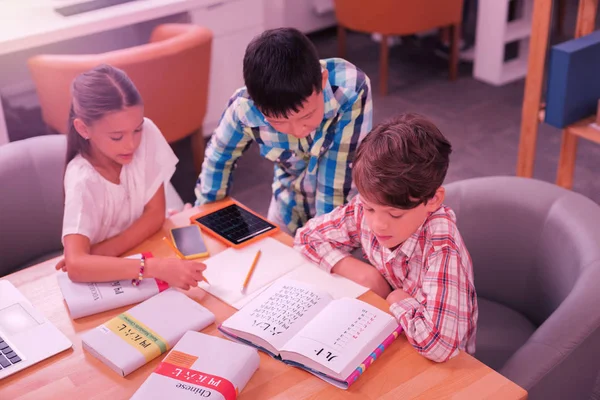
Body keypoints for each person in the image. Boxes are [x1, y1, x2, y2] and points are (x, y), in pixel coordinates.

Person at [294, 114, 478, 362]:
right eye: (370, 209)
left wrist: (395, 298)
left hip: (454, 365)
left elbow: (439, 345)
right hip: (398, 330)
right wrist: (366, 275)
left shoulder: (441, 247)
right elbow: (307, 237)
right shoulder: (368, 204)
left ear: (432, 200)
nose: (378, 224)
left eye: (394, 214)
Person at [195, 27, 373, 235]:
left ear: (322, 81)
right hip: (287, 203)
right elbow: (218, 159)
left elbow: (334, 188)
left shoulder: (350, 91)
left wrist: (322, 243)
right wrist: (204, 214)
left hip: (342, 213)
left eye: (306, 116)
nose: (297, 131)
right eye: (279, 122)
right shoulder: (244, 109)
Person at [58, 64, 205, 290]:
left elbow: (155, 214)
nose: (131, 144)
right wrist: (151, 267)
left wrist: (98, 256)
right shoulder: (82, 179)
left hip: (136, 258)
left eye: (136, 129)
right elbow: (77, 267)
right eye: (117, 137)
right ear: (83, 129)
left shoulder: (147, 132)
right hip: (111, 283)